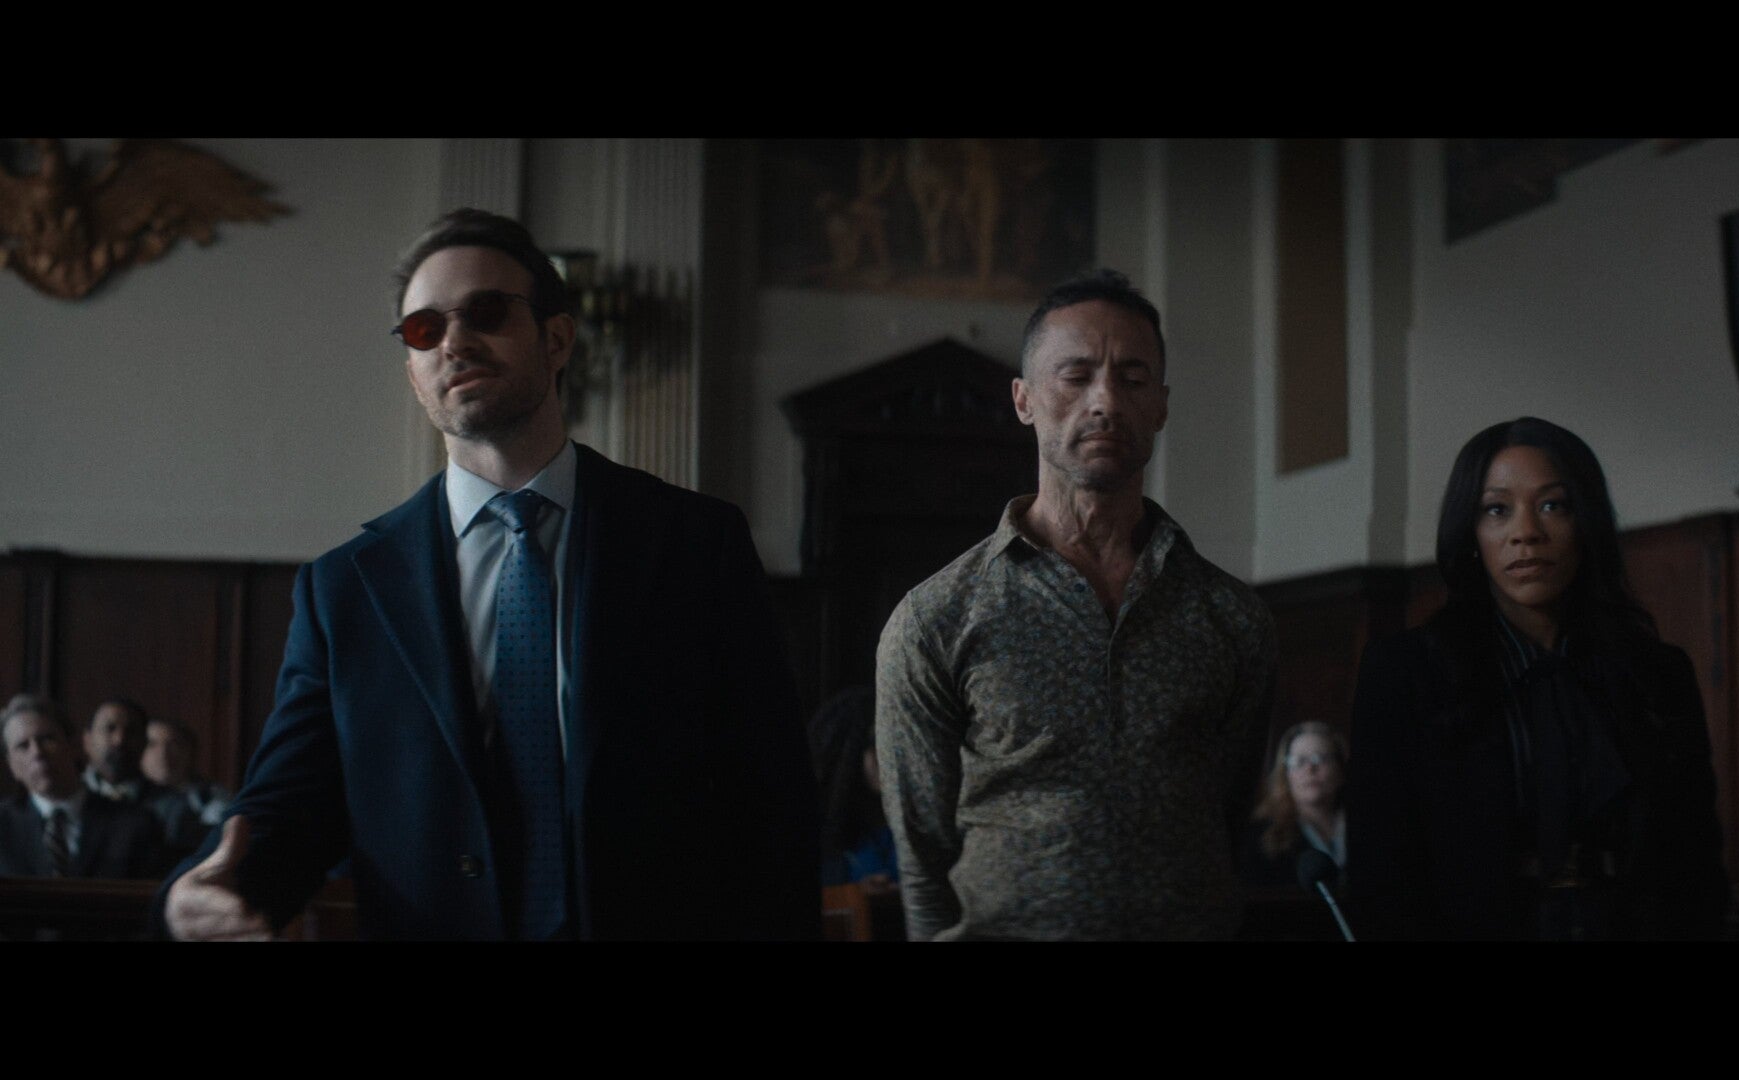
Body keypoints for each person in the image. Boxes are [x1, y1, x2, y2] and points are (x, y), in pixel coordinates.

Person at [158, 208, 818, 940]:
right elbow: (293, 806)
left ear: (557, 338)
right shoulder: (345, 588)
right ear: (413, 374)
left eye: (487, 312)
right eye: (424, 329)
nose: (455, 342)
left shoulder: (693, 542)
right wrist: (208, 890)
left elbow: (774, 797)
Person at [876, 269, 1278, 940]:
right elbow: (921, 851)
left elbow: (1228, 813)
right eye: (1077, 375)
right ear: (1024, 399)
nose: (1106, 401)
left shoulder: (1230, 616)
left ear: (1162, 406)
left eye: (1133, 378)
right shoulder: (937, 617)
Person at [1346, 417, 1729, 940]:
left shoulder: (1657, 673)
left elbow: (1695, 860)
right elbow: (1381, 875)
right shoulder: (1406, 671)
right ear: (1470, 532)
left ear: (1585, 522)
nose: (1525, 532)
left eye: (1553, 505)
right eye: (1497, 510)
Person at [1, 693, 168, 879]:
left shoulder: (134, 823)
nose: (37, 753)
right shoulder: (3, 826)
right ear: (11, 765)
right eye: (23, 746)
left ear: (74, 745)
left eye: (47, 739)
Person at [83, 698, 203, 859]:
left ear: (144, 742)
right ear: (87, 740)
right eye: (109, 728)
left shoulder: (174, 808)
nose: (120, 740)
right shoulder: (68, 799)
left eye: (131, 731)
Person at [807, 686, 897, 890]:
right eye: (880, 746)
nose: (892, 759)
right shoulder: (826, 836)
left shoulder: (919, 822)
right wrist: (853, 894)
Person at [1241, 720, 1348, 888]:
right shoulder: (1262, 835)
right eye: (1298, 761)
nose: (1309, 769)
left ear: (1340, 768)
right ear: (1285, 773)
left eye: (1320, 758)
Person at [141, 717, 232, 829]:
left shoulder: (212, 798)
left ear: (190, 751)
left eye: (174, 744)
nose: (163, 753)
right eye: (151, 744)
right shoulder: (127, 797)